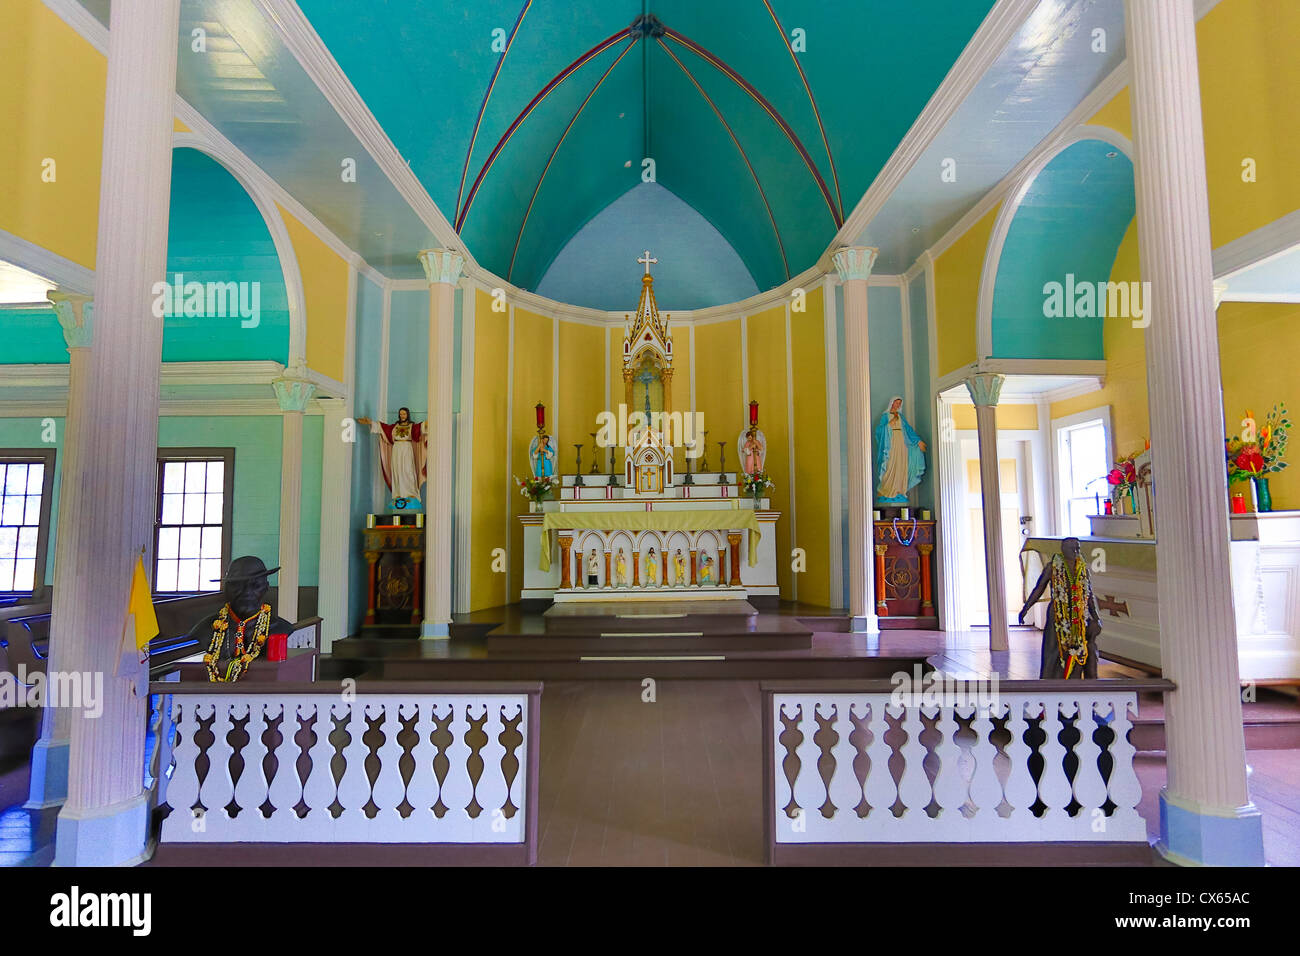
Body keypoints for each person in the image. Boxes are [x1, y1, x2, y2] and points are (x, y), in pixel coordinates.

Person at [189, 556, 293, 683]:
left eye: (255, 585)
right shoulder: (205, 629)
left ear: (266, 587)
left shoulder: (280, 628)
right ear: (226, 589)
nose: (246, 592)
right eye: (237, 585)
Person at [1019, 537, 1102, 679]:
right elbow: (1039, 588)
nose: (1076, 552)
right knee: (1054, 650)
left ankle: (1074, 680)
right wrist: (1026, 608)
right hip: (1057, 615)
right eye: (1072, 549)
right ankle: (1049, 681)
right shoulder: (1052, 567)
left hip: (1078, 615)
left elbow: (1089, 596)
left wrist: (1096, 617)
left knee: (1078, 649)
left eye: (1078, 548)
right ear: (1063, 550)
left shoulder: (1083, 570)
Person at [357, 407, 427, 506]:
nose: (402, 415)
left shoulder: (412, 426)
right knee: (397, 470)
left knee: (408, 470)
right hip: (396, 449)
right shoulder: (395, 427)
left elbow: (421, 428)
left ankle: (411, 494)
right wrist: (370, 422)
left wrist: (430, 421)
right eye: (401, 414)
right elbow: (382, 428)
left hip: (407, 449)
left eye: (404, 414)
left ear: (407, 415)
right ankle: (398, 494)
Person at [874, 396, 927, 504]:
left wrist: (918, 441)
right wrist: (890, 423)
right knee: (890, 464)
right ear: (892, 403)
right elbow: (879, 431)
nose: (897, 405)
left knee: (901, 465)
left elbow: (908, 430)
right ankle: (886, 490)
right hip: (891, 443)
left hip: (902, 443)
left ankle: (899, 491)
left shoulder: (901, 417)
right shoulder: (885, 416)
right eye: (896, 403)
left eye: (899, 403)